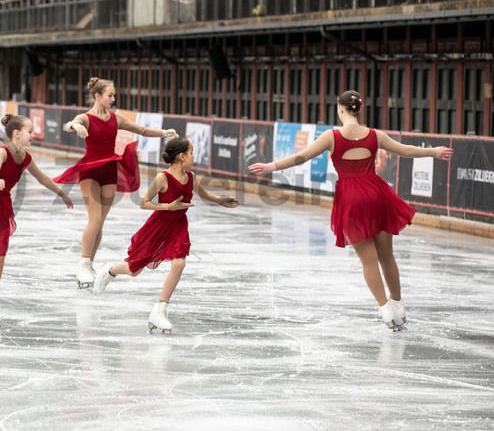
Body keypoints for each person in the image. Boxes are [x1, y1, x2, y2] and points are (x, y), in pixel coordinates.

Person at [248, 90, 453, 331]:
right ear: (358, 109)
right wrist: (433, 152)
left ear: (341, 109)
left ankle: (386, 310)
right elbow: (406, 150)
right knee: (387, 256)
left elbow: (302, 157)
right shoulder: (375, 135)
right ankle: (398, 306)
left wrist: (271, 166)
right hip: (377, 195)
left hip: (353, 199)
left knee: (369, 261)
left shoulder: (331, 136)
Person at [93, 138, 239, 333]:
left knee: (179, 263)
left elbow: (204, 194)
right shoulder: (163, 178)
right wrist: (168, 206)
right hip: (158, 227)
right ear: (181, 156)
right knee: (134, 270)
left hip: (178, 226)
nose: (193, 156)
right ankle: (110, 270)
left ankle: (160, 309)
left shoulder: (191, 177)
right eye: (191, 152)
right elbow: (144, 202)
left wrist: (221, 200)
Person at [55, 77, 178, 288]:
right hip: (90, 171)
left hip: (110, 171)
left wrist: (164, 133)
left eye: (113, 95)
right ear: (97, 96)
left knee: (100, 221)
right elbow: (69, 125)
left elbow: (142, 130)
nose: (113, 98)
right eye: (110, 95)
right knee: (94, 219)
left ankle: (90, 263)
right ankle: (83, 264)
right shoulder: (85, 118)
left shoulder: (116, 118)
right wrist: (76, 127)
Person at [0, 114, 73, 324]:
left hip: (1, 206)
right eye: (29, 131)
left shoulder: (26, 157)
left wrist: (61, 193)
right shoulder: (2, 151)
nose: (32, 135)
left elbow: (43, 178)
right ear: (17, 134)